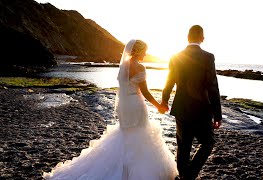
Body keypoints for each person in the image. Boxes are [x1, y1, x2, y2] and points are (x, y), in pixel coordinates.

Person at [43, 39, 177, 180]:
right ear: (138, 51)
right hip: (135, 104)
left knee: (126, 133)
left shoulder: (123, 66)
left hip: (124, 105)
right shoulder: (140, 68)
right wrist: (159, 106)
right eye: (144, 51)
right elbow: (145, 92)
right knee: (140, 133)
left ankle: (123, 166)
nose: (145, 53)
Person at [161, 25, 222, 180]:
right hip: (202, 109)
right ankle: (189, 176)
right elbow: (212, 86)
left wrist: (164, 100)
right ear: (202, 38)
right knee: (208, 143)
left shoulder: (175, 57)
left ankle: (184, 176)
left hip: (181, 108)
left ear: (187, 38)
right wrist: (218, 115)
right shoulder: (208, 57)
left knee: (183, 146)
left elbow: (169, 81)